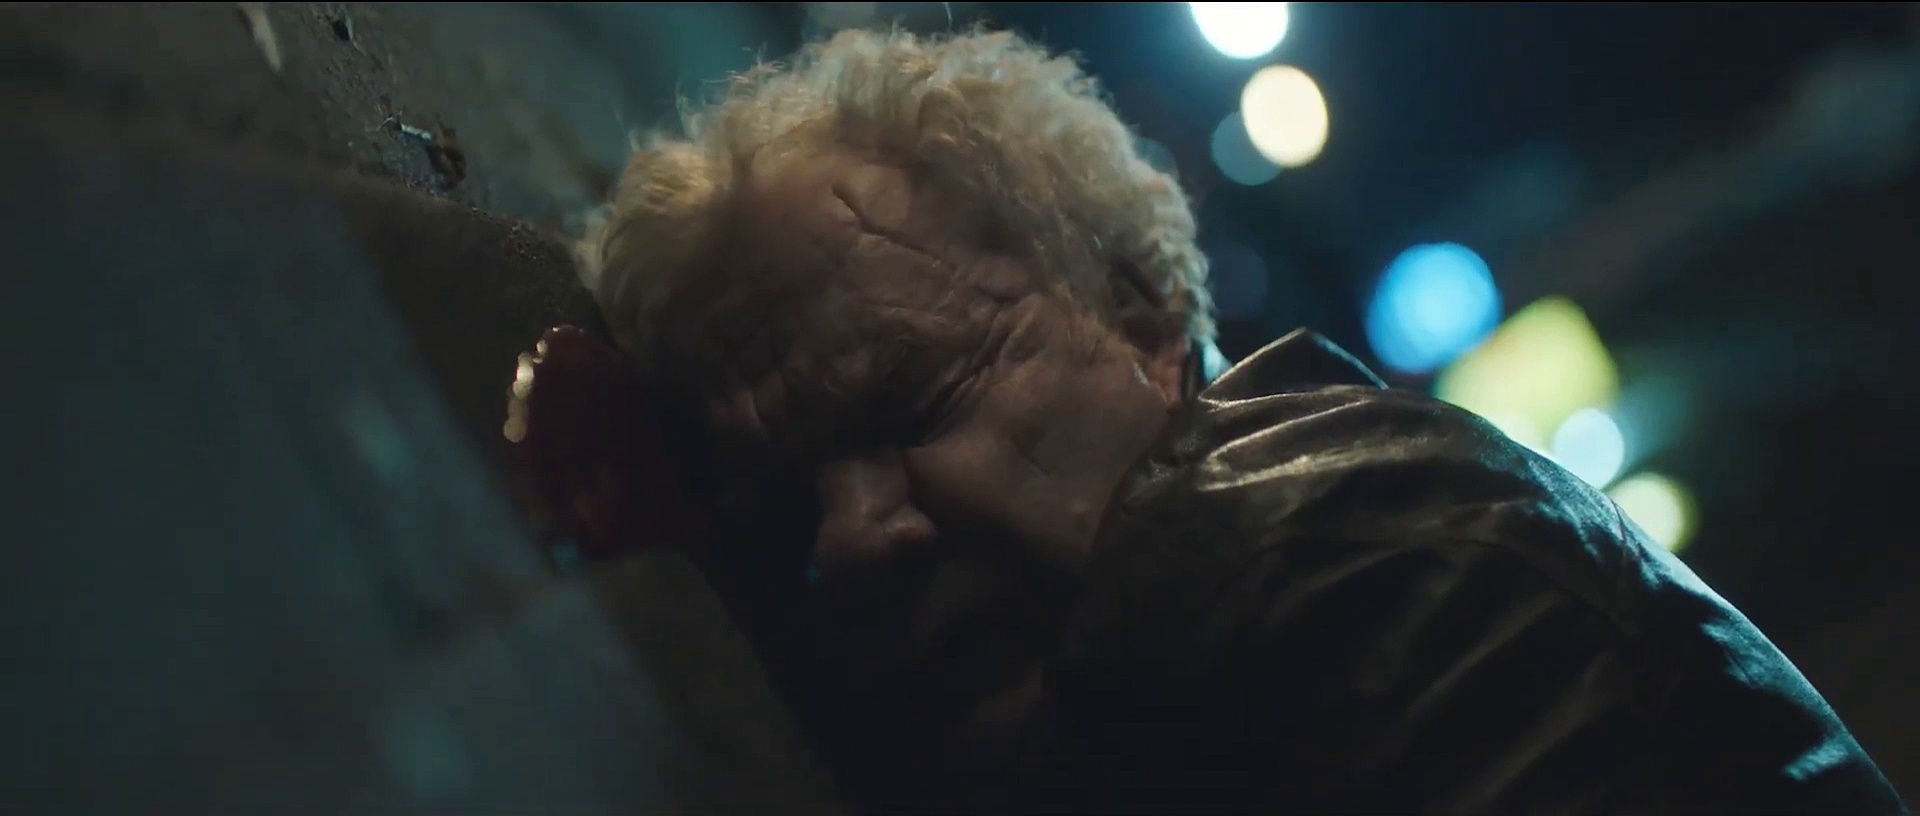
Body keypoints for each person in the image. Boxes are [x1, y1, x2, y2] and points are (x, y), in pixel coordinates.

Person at [554, 27, 1908, 815]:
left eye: (918, 399)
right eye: (786, 494)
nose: (854, 535)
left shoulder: (1361, 546)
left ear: (1143, 322)